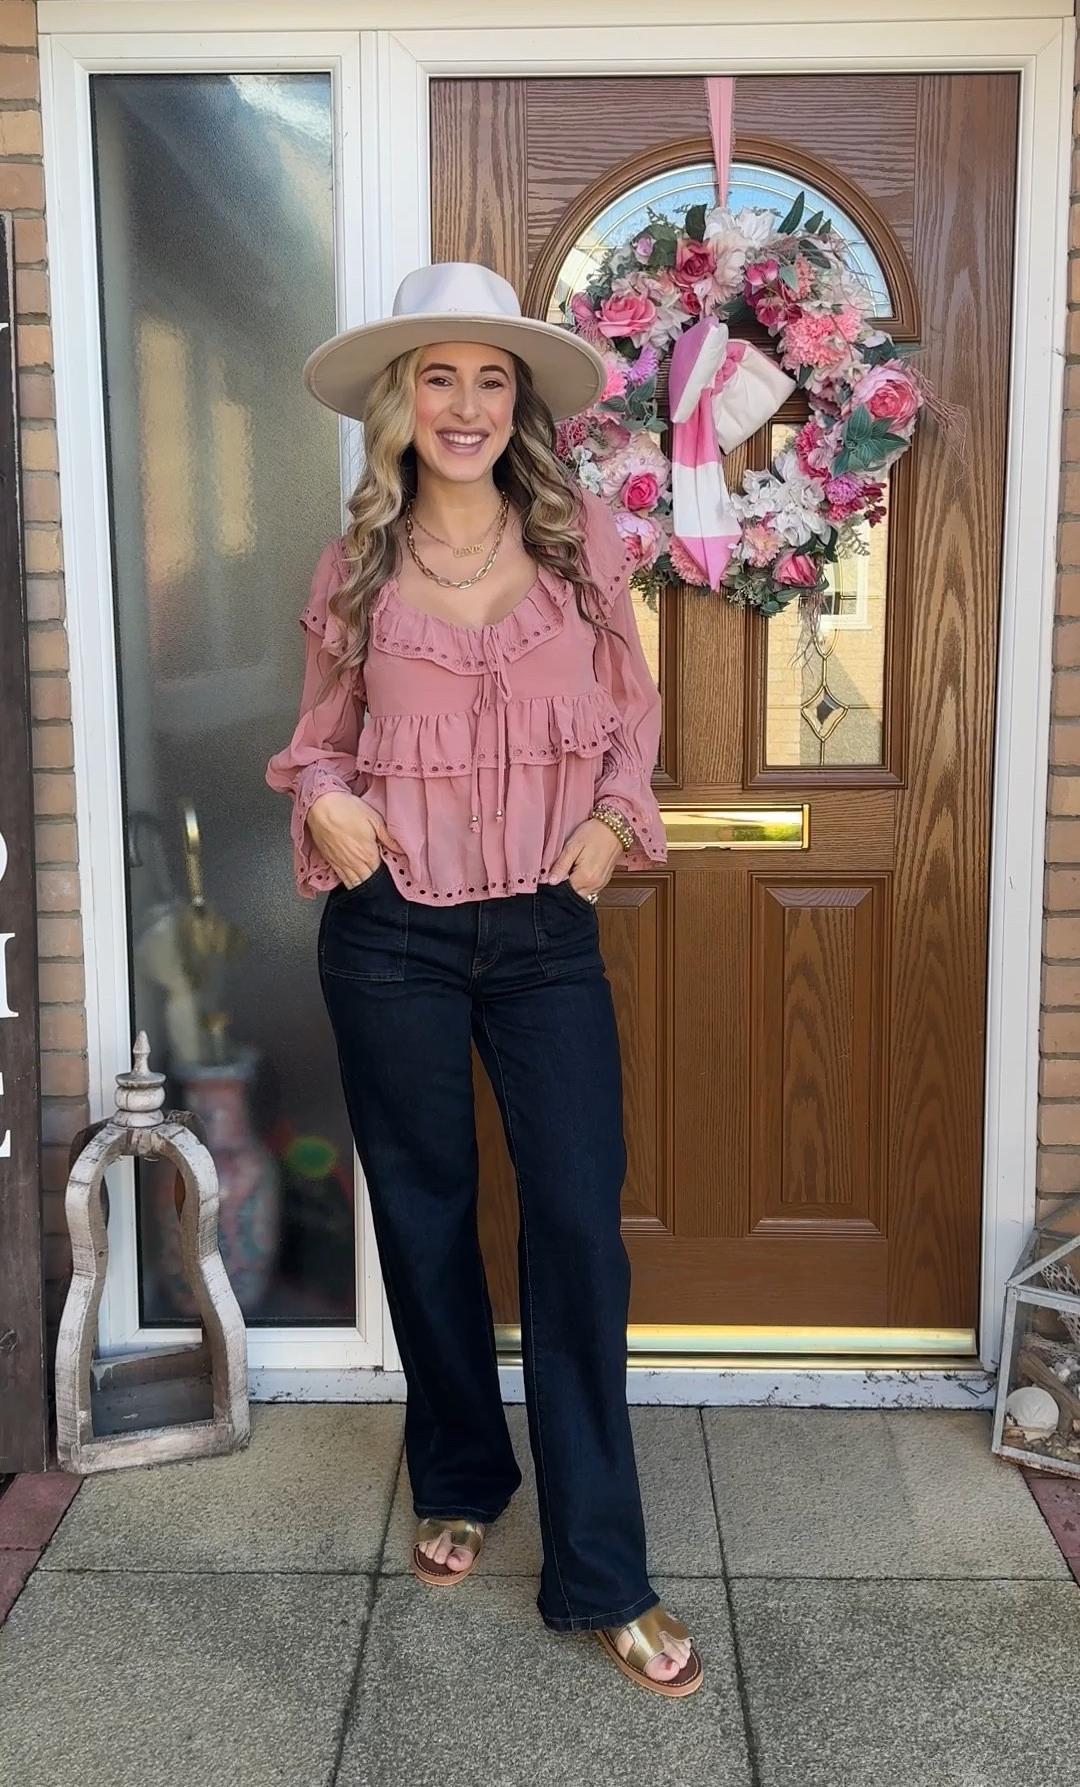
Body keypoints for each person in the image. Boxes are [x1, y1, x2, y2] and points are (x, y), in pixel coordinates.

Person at [266, 262, 702, 1698]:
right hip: (388, 932)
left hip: (542, 936)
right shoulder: (358, 570)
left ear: (520, 406)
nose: (465, 404)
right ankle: (461, 1471)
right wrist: (325, 799)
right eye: (438, 376)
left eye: (491, 378)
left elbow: (633, 727)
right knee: (428, 1210)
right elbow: (320, 734)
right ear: (401, 405)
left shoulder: (585, 554)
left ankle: (604, 1566)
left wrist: (601, 829)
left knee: (577, 1224)